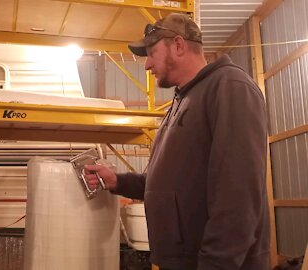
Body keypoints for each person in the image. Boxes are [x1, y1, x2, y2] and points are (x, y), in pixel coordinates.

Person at [84, 13, 270, 270]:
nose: (147, 64)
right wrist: (117, 181)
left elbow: (238, 193)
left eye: (152, 52)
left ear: (179, 45)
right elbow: (170, 185)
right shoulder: (183, 100)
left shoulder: (229, 87)